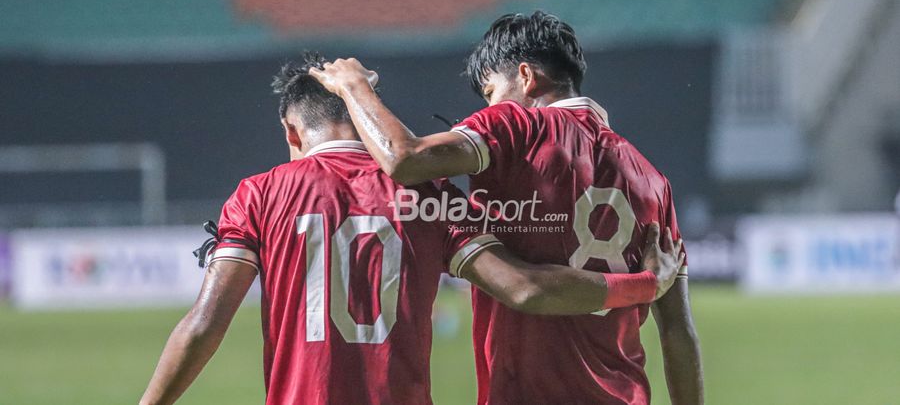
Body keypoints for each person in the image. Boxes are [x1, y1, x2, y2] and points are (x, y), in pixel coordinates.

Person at [139, 52, 684, 405]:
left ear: (290, 129)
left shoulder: (259, 194)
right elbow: (525, 288)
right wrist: (645, 286)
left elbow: (205, 324)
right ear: (365, 117)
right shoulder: (432, 199)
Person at [309, 11, 704, 404]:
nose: (488, 106)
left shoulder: (518, 125)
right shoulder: (653, 179)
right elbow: (678, 332)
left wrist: (354, 87)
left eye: (490, 91)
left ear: (526, 77)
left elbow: (405, 159)